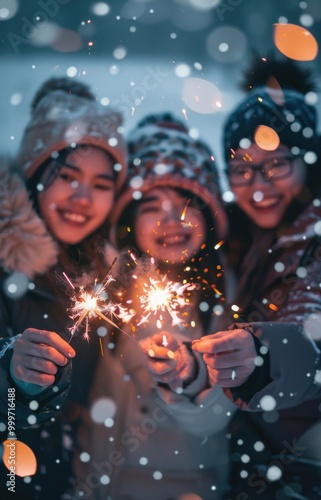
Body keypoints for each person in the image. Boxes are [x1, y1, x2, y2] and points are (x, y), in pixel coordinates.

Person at [71, 113, 236, 500]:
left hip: (196, 484)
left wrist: (186, 376)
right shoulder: (106, 291)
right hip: (107, 485)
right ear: (129, 222)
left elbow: (219, 414)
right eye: (151, 207)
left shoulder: (226, 295)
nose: (170, 220)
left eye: (185, 204)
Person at [192, 56, 321, 499]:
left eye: (276, 166)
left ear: (306, 161)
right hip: (259, 455)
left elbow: (315, 331)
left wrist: (265, 354)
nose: (258, 185)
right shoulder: (242, 235)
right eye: (242, 168)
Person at [0, 76, 127, 499]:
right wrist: (12, 376)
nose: (82, 197)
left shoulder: (104, 278)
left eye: (101, 184)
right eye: (67, 175)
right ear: (35, 172)